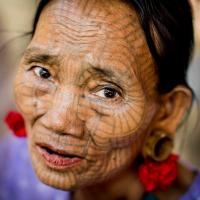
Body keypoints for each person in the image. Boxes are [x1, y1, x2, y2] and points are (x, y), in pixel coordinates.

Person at [1, 0, 200, 199]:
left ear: (168, 111)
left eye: (108, 92)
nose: (57, 121)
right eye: (43, 73)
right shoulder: (12, 164)